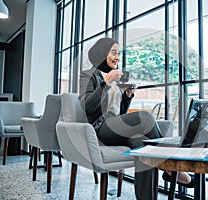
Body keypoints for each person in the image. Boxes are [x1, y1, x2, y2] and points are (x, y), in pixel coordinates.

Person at [79, 37, 193, 200]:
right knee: (145, 116)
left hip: (114, 128)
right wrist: (106, 81)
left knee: (144, 146)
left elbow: (119, 114)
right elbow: (88, 107)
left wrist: (126, 96)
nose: (117, 57)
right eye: (113, 52)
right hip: (100, 128)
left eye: (118, 53)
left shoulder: (114, 79)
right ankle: (171, 166)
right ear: (101, 54)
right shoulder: (89, 75)